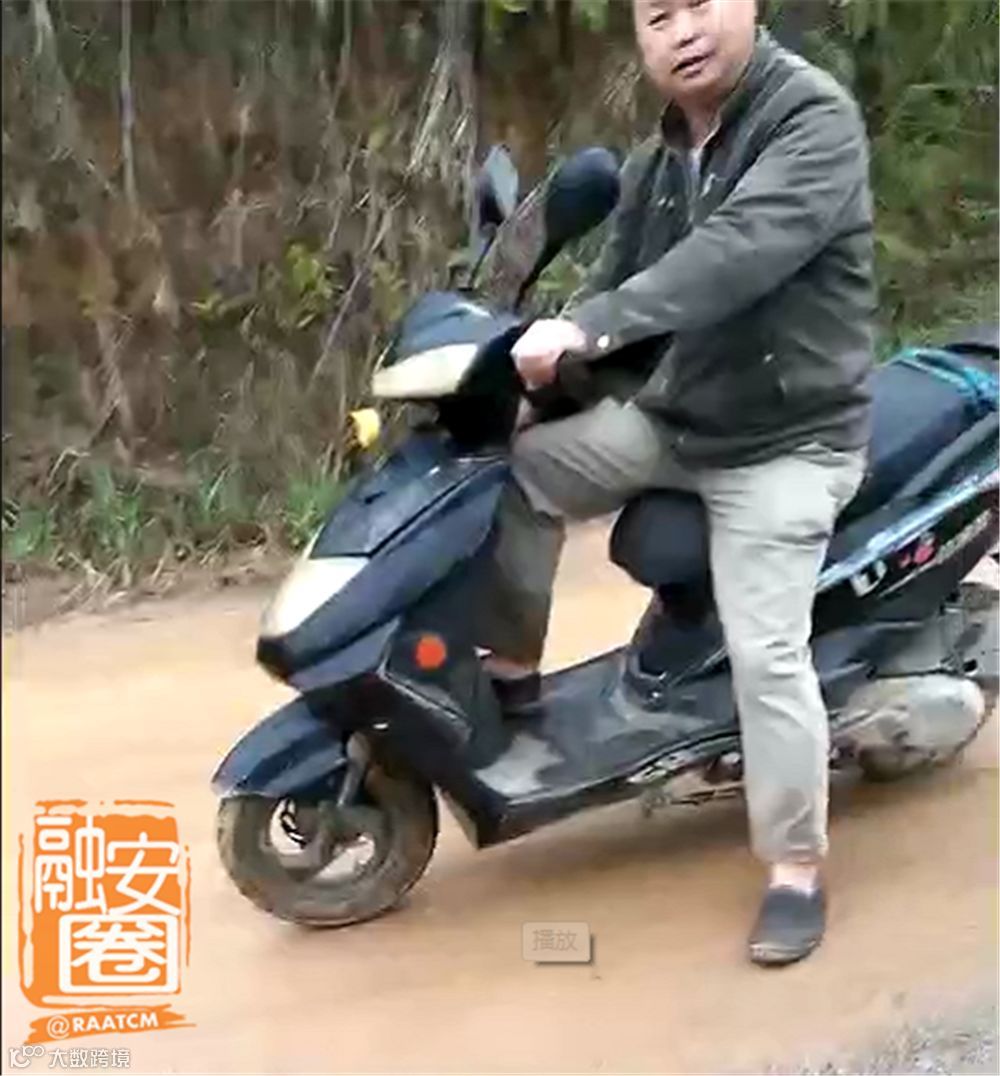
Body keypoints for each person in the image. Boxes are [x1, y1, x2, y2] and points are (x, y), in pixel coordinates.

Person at [478, 0, 875, 966]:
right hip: (678, 423)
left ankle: (794, 867)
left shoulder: (810, 118)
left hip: (787, 442)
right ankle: (515, 681)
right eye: (657, 15)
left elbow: (738, 252)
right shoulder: (659, 162)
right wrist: (542, 387)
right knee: (517, 472)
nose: (682, 30)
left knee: (765, 654)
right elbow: (615, 292)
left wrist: (595, 325)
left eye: (700, 3)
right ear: (640, 38)